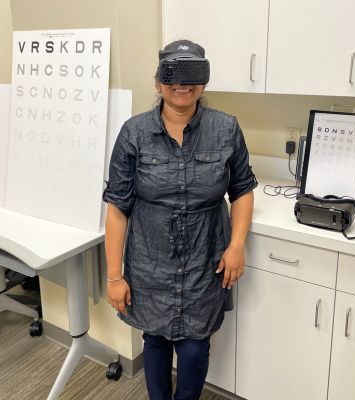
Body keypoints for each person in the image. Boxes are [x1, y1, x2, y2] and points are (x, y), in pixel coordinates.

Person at [103, 39, 257, 400]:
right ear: (158, 83)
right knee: (154, 338)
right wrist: (114, 276)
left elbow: (243, 190)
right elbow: (116, 207)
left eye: (191, 75)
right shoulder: (134, 133)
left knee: (193, 346)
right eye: (171, 74)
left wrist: (237, 246)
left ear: (203, 83)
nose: (181, 84)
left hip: (205, 258)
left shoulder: (226, 129)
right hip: (149, 258)